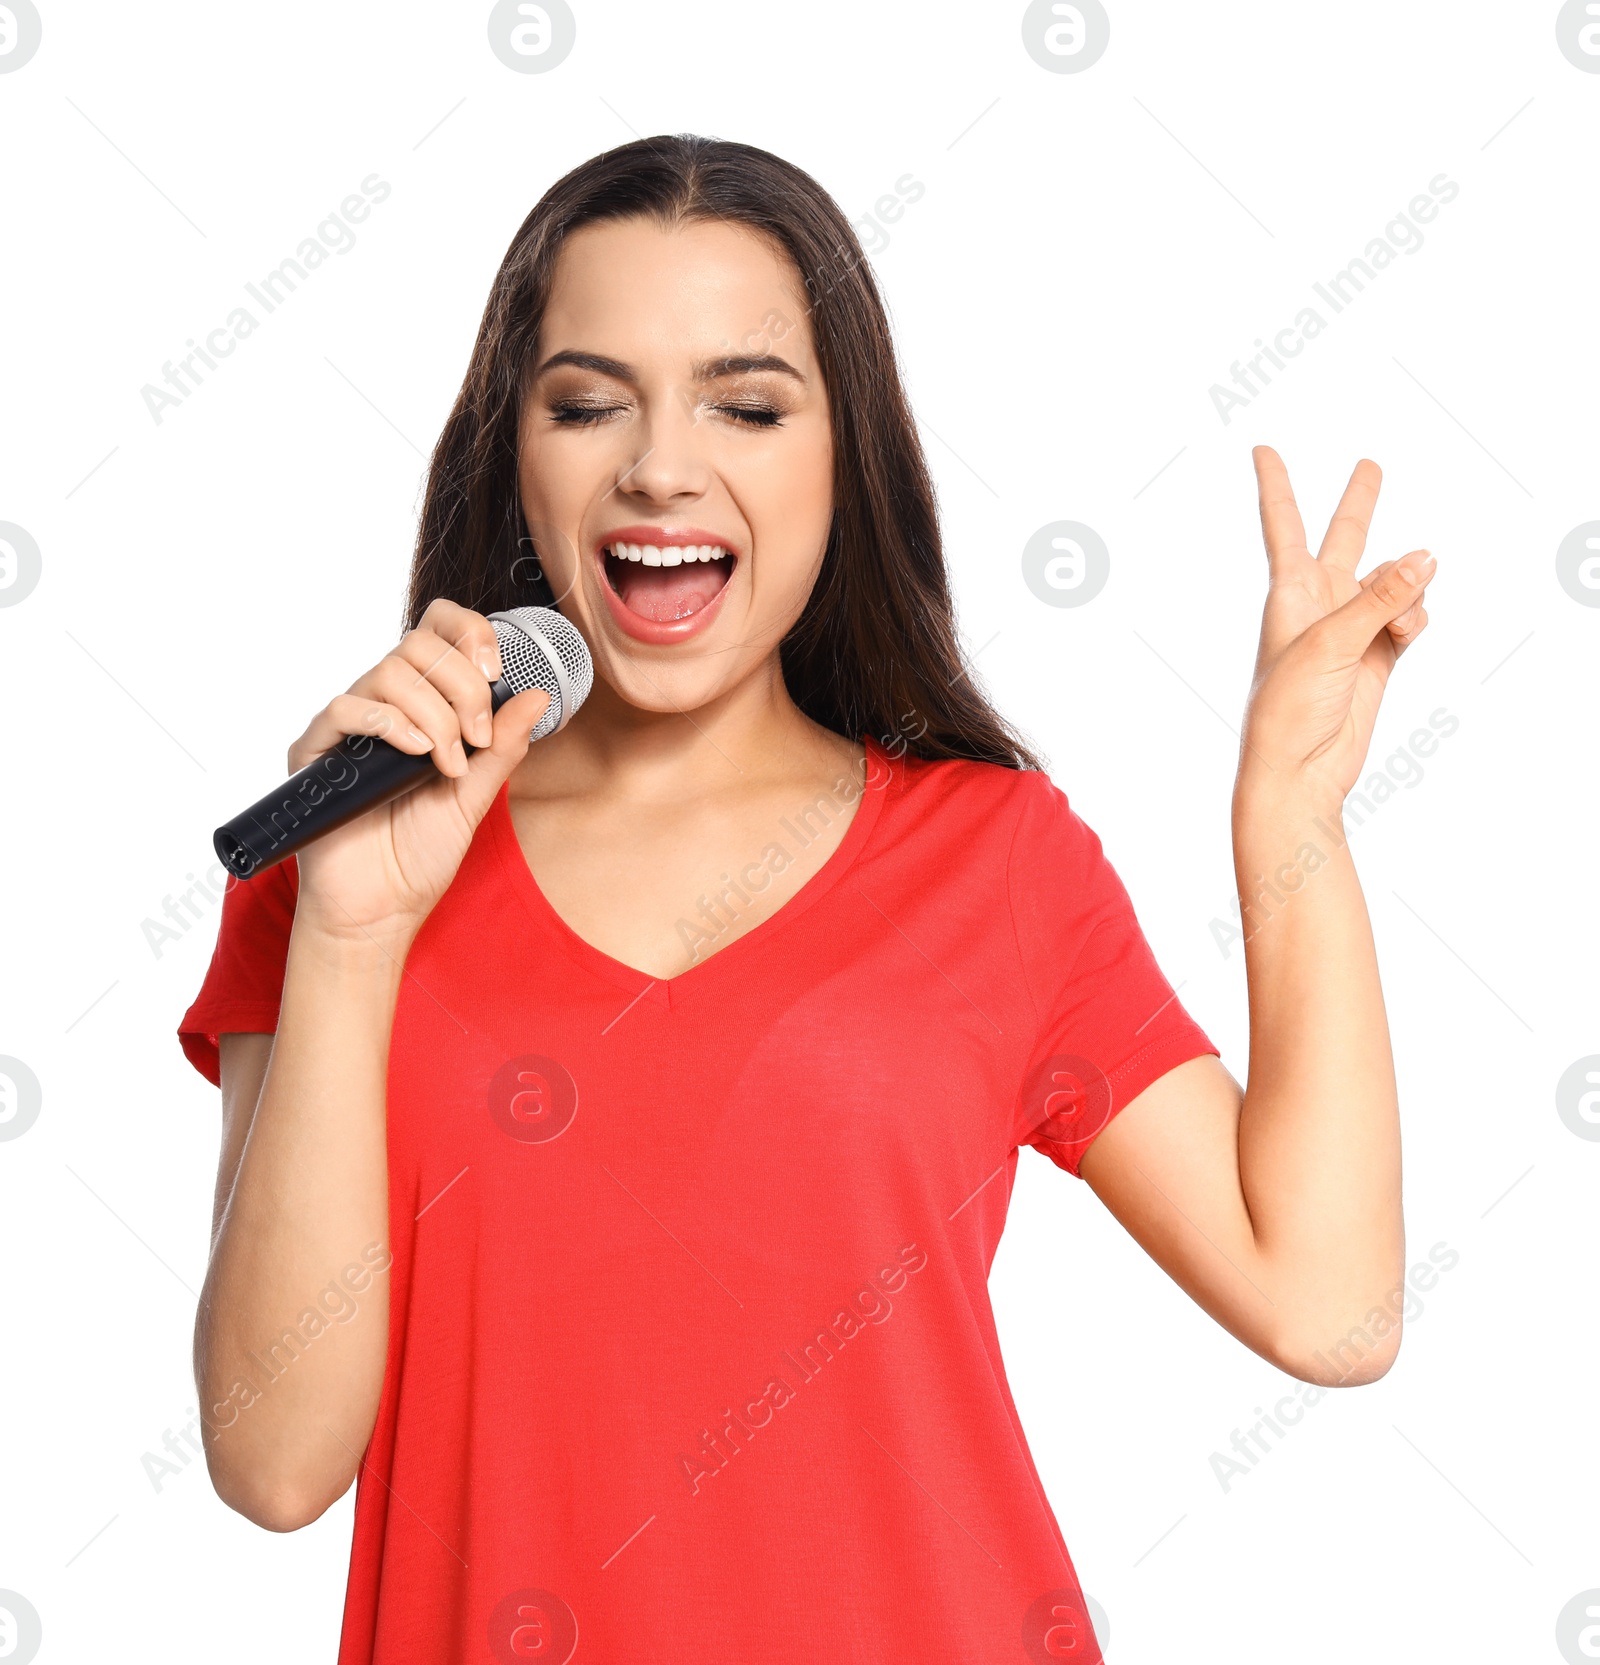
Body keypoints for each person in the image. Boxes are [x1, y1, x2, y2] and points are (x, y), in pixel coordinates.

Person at [179, 134, 1432, 1664]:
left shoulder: (996, 857)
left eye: (746, 403)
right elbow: (273, 1462)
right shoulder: (347, 865)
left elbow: (1329, 1304)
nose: (659, 462)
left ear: (847, 455)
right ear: (516, 451)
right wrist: (355, 938)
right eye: (587, 402)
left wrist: (1291, 819)